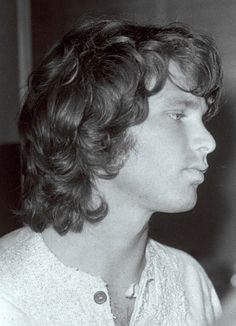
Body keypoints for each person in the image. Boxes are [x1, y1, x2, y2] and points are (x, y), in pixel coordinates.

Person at [0, 19, 223, 325]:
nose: (208, 142)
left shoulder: (189, 281)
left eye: (203, 118)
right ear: (95, 129)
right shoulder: (8, 294)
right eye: (177, 115)